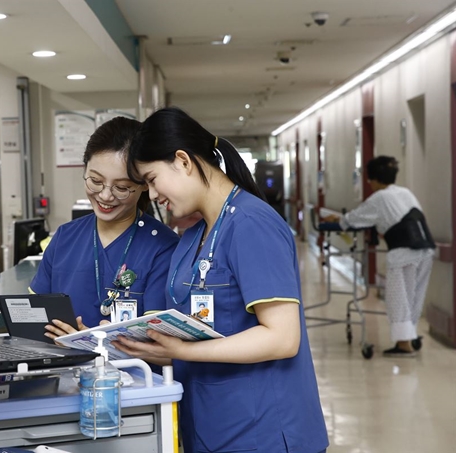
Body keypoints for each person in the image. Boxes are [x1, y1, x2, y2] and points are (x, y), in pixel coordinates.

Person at [116, 107, 328, 453]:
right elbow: (207, 329)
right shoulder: (192, 237)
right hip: (213, 428)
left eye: (152, 180)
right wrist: (158, 349)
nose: (152, 196)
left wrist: (183, 351)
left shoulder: (251, 224)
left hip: (264, 432)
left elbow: (283, 338)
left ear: (182, 161)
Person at [30, 116, 179, 340]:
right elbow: (33, 319)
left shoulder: (162, 246)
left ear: (144, 186)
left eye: (122, 187)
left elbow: (156, 340)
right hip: (64, 370)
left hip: (134, 373)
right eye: (95, 181)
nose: (106, 195)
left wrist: (86, 342)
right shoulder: (65, 237)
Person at [323, 155, 434, 357]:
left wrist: (338, 220)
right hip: (425, 249)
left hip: (403, 252)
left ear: (373, 180)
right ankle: (410, 336)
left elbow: (353, 219)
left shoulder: (379, 197)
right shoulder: (405, 192)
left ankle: (404, 344)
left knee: (398, 298)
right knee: (414, 297)